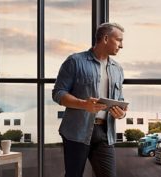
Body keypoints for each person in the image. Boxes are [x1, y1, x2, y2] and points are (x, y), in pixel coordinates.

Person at [52, 22, 127, 177]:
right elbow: (58, 93)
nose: (121, 46)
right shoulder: (75, 61)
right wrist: (83, 104)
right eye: (119, 40)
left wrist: (121, 113)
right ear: (106, 38)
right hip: (76, 131)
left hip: (105, 133)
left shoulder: (117, 69)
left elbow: (119, 99)